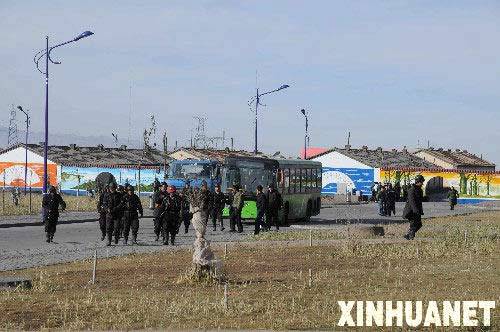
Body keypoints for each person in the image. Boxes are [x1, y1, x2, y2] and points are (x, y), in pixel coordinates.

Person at [403, 175, 425, 240]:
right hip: (411, 211)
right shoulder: (411, 190)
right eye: (421, 182)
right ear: (418, 182)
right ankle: (410, 238)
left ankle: (408, 235)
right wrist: (415, 210)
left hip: (417, 211)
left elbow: (420, 199)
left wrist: (425, 198)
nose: (422, 183)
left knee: (419, 224)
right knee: (413, 225)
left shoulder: (419, 190)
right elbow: (411, 201)